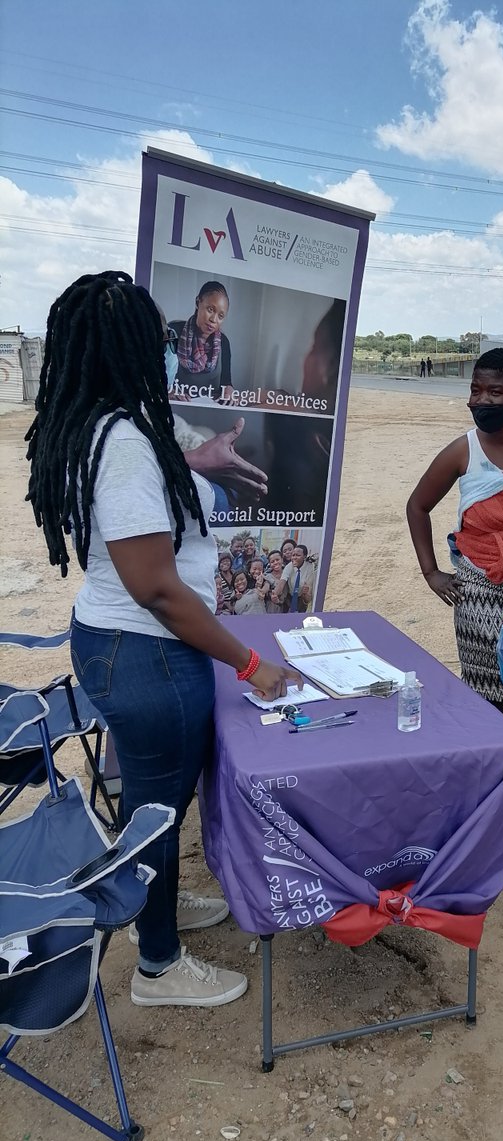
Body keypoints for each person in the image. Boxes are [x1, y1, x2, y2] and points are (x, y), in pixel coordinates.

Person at [24, 271, 302, 1007]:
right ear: (134, 350)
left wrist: (195, 459)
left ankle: (159, 902)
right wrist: (249, 664)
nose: (174, 353)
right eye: (162, 343)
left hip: (118, 638)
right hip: (143, 647)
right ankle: (158, 966)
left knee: (158, 798)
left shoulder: (106, 422)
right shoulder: (121, 444)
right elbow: (155, 584)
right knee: (156, 801)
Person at [407, 349, 503, 719]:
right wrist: (431, 572)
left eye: (495, 392)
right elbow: (417, 506)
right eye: (476, 390)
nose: (482, 400)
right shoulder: (465, 450)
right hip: (478, 592)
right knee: (487, 696)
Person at [169, 280, 234, 403]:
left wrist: (229, 391)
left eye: (220, 316)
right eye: (210, 309)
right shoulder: (173, 332)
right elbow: (155, 377)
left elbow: (226, 383)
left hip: (210, 412)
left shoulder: (223, 342)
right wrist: (169, 392)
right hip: (176, 409)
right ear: (198, 302)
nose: (213, 319)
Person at [275, 544, 316, 614]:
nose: (294, 558)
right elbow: (282, 582)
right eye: (293, 555)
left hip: (301, 598)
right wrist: (275, 594)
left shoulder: (310, 568)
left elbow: (308, 599)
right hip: (290, 597)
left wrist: (305, 593)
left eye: (298, 555)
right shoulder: (289, 566)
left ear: (305, 556)